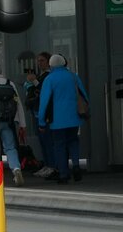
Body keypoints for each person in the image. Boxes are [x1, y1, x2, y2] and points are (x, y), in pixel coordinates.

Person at [37, 54, 89, 184]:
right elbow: (84, 95)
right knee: (73, 141)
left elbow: (44, 102)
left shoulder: (49, 79)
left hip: (57, 120)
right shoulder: (73, 76)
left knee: (59, 145)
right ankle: (76, 165)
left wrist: (41, 121)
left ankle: (64, 173)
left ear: (51, 65)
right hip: (74, 118)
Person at [0, 70, 26, 186]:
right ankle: (16, 169)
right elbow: (18, 104)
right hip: (7, 121)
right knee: (10, 148)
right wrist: (22, 124)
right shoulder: (10, 84)